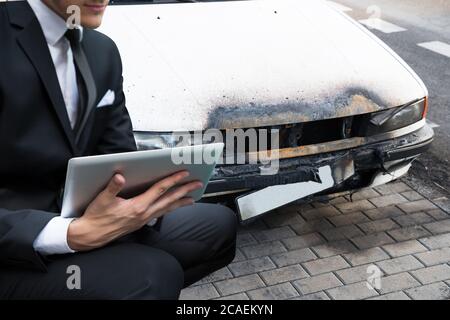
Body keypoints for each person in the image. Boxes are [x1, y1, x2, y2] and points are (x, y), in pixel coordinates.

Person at [0, 0, 237, 300]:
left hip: (82, 212)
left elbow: (119, 151)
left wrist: (144, 204)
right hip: (13, 248)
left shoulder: (102, 51)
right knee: (153, 275)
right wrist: (70, 235)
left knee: (219, 226)